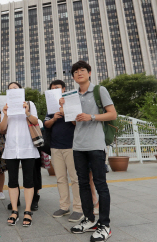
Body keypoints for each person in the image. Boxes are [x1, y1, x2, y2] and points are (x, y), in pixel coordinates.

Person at [62, 61, 116, 242]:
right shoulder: (72, 96)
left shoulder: (100, 90)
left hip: (96, 144)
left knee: (101, 184)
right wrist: (65, 110)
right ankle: (89, 219)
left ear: (89, 73)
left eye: (82, 70)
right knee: (83, 183)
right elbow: (74, 122)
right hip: (78, 146)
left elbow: (112, 114)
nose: (79, 73)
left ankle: (105, 225)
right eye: (75, 72)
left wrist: (91, 116)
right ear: (73, 77)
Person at [44, 80, 84, 222]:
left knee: (75, 179)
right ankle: (64, 206)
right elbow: (46, 125)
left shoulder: (72, 102)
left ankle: (79, 208)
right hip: (55, 147)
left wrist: (65, 110)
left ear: (64, 89)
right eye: (52, 88)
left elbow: (76, 122)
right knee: (60, 179)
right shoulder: (51, 107)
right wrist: (54, 117)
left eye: (57, 88)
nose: (54, 90)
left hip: (72, 146)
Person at [0, 82, 39, 227]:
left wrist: (27, 111)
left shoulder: (29, 103)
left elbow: (35, 122)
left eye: (15, 89)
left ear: (21, 90)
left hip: (27, 146)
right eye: (10, 89)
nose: (12, 91)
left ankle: (28, 211)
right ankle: (15, 210)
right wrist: (4, 114)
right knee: (12, 180)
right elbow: (2, 129)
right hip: (11, 147)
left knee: (28, 179)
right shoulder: (5, 106)